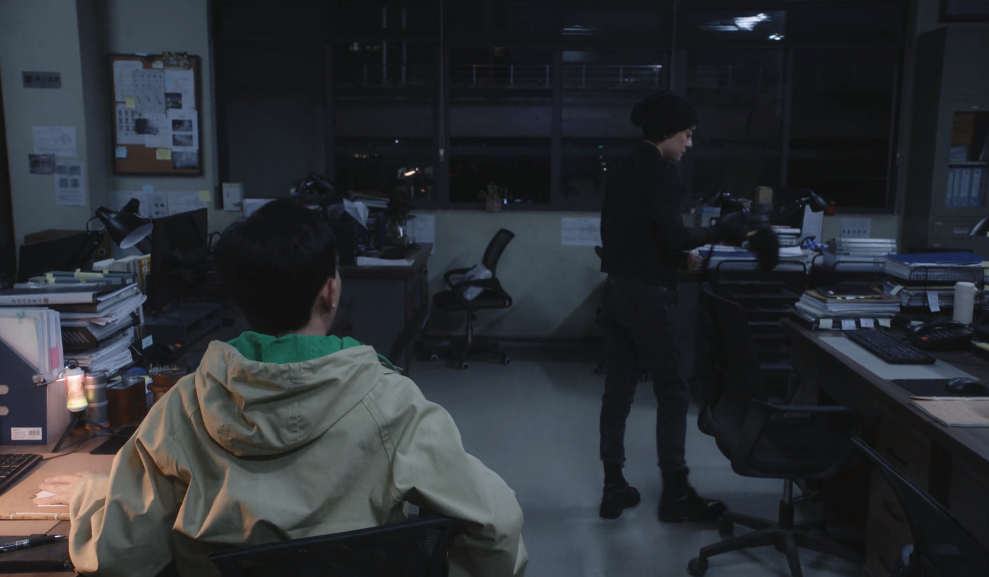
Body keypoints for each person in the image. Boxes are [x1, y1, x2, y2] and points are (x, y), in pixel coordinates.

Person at [36, 198, 528, 577]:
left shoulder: (183, 407)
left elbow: (117, 556)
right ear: (331, 291)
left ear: (238, 298)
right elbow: (497, 526)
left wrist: (91, 494)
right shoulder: (393, 405)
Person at [598, 90, 744, 521]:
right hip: (647, 295)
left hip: (617, 290)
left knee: (617, 393)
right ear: (667, 133)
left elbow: (632, 236)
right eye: (687, 134)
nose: (689, 144)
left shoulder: (620, 169)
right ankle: (676, 495)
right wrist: (721, 231)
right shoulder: (662, 172)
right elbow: (674, 236)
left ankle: (613, 487)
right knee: (674, 392)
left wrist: (675, 257)